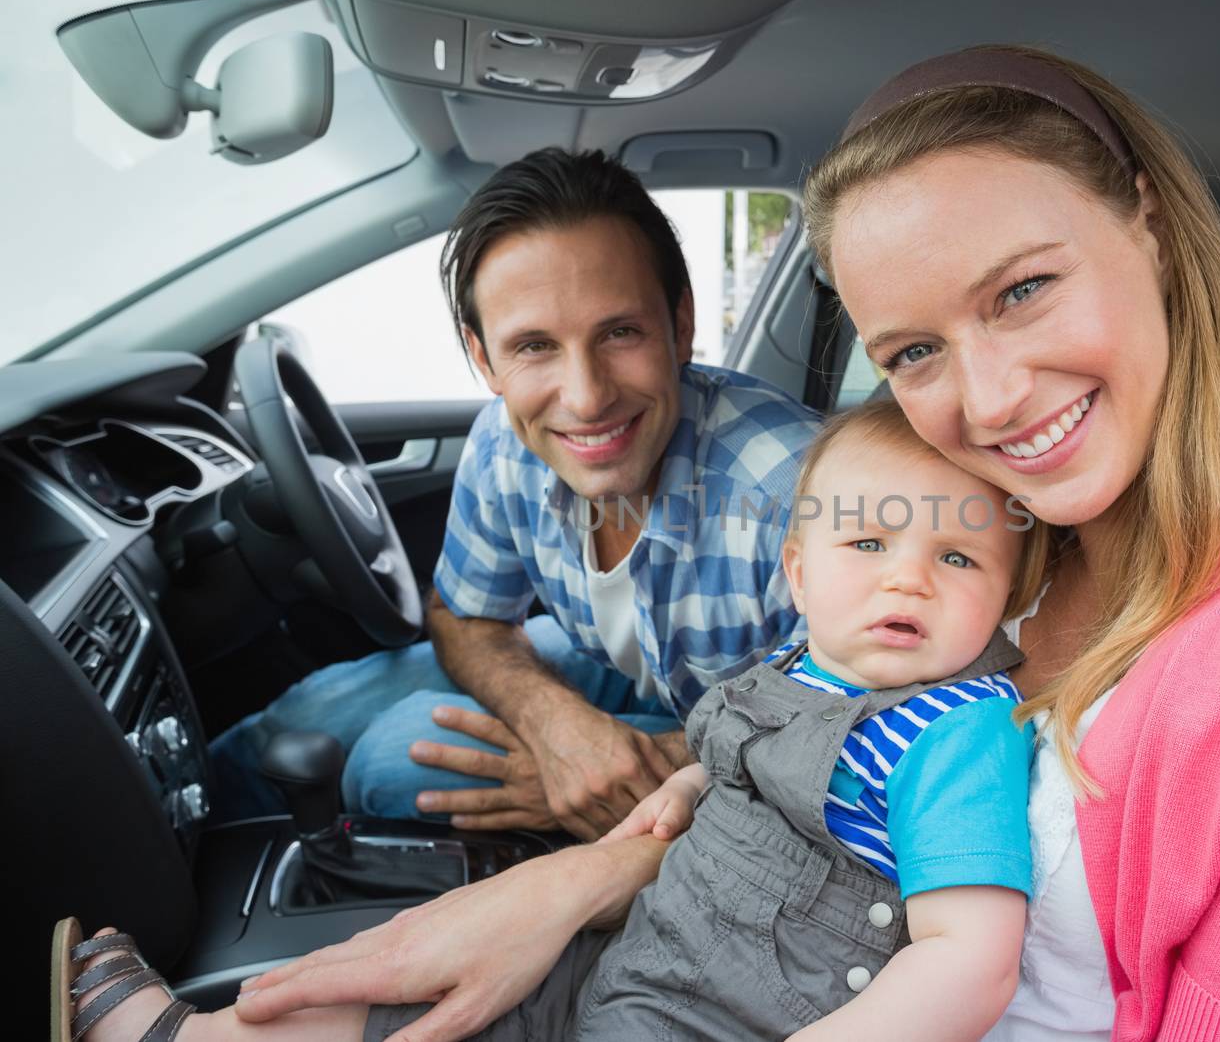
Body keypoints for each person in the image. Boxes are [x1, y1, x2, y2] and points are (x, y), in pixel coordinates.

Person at [58, 45, 1220, 1042]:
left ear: (1152, 229)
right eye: (910, 350)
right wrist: (568, 885)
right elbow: (799, 735)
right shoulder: (1012, 541)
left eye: (1023, 289)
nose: (988, 399)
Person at [55, 398, 1056, 1041]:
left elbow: (969, 958)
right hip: (648, 950)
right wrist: (683, 784)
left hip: (735, 1015)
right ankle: (196, 1038)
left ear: (1010, 596)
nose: (908, 578)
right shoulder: (805, 659)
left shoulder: (952, 731)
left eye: (958, 559)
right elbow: (743, 746)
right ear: (796, 573)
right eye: (869, 541)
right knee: (423, 1002)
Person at [207, 148, 820, 840]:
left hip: (762, 736)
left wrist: (638, 775)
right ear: (483, 357)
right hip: (643, 676)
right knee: (316, 710)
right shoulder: (504, 443)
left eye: (619, 332)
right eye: (534, 346)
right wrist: (554, 722)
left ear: (680, 324)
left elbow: (858, 724)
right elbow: (463, 616)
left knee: (389, 758)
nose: (586, 398)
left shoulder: (797, 492)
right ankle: (161, 851)